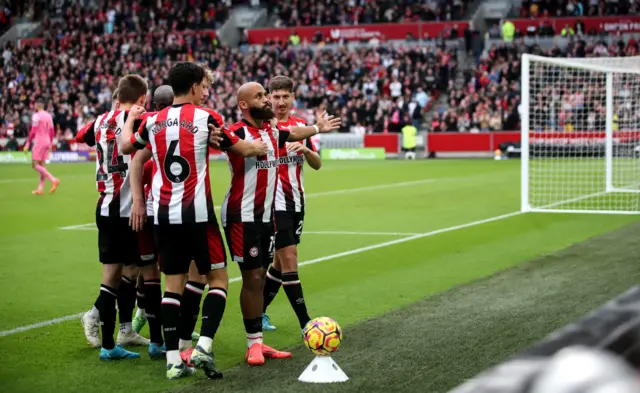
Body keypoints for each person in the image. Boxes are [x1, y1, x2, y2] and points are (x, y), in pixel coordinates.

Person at [121, 62, 269, 380]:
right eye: (204, 86)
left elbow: (125, 147)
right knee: (217, 279)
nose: (206, 91)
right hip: (198, 215)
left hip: (162, 214)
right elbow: (240, 147)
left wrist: (131, 119)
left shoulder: (152, 120)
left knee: (172, 287)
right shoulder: (207, 117)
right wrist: (257, 146)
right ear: (193, 87)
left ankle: (174, 360)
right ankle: (203, 346)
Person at [221, 81, 340, 366]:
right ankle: (251, 344)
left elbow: (294, 133)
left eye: (269, 95)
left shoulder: (273, 131)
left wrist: (316, 130)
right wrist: (235, 143)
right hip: (243, 215)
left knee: (262, 274)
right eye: (263, 96)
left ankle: (258, 342)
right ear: (244, 105)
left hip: (268, 214)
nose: (270, 101)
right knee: (253, 276)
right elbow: (227, 141)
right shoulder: (236, 132)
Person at [261, 76, 321, 333]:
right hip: (274, 204)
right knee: (290, 259)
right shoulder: (261, 127)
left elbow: (317, 164)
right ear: (268, 98)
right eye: (276, 97)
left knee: (277, 263)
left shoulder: (301, 127)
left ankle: (259, 311)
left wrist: (306, 151)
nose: (281, 102)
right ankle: (306, 322)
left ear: (292, 98)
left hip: (296, 201)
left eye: (286, 96)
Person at [24, 99, 59, 195]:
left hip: (39, 141)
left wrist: (27, 143)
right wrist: (51, 143)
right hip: (47, 141)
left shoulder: (36, 116)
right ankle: (40, 189)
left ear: (37, 106)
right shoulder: (49, 116)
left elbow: (33, 131)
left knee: (34, 165)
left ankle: (53, 179)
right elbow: (52, 131)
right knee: (42, 165)